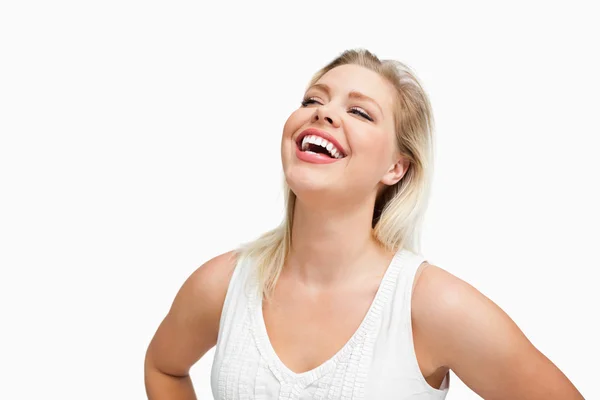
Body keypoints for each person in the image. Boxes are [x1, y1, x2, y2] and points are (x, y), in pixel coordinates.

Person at [144, 48, 584, 399]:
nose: (323, 113)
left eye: (361, 112)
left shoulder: (431, 306)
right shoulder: (223, 284)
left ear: (396, 167)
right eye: (313, 100)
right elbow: (163, 368)